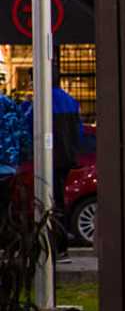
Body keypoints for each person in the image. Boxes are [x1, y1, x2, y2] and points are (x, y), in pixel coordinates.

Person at [23, 85, 82, 263]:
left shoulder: (41, 100)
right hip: (66, 158)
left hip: (49, 158)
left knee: (45, 202)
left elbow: (29, 127)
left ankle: (49, 246)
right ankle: (61, 247)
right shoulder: (70, 100)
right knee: (59, 201)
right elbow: (78, 131)